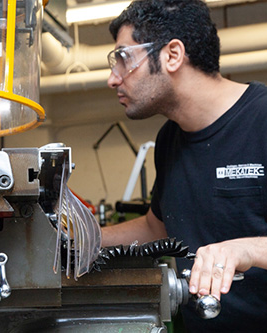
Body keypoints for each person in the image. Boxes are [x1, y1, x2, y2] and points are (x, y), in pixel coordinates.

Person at [102, 0, 267, 331]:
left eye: (122, 58)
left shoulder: (262, 120)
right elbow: (156, 228)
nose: (111, 79)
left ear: (172, 55)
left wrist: (248, 249)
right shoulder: (168, 139)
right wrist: (80, 236)